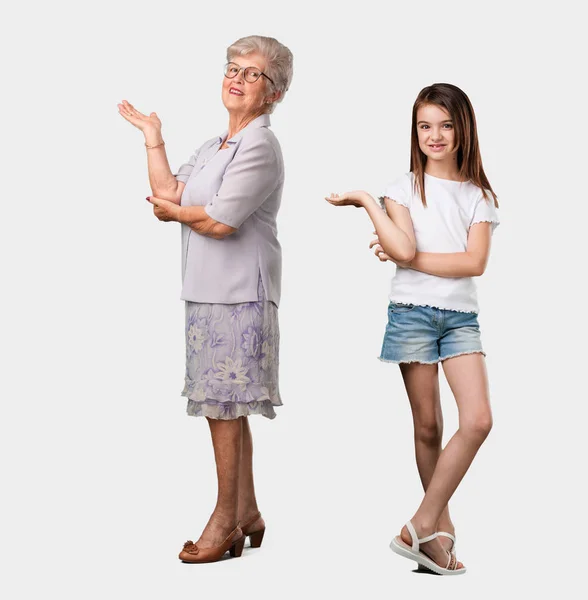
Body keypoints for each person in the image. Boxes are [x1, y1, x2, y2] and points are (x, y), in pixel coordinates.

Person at [117, 35, 293, 563]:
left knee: (223, 408)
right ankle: (249, 512)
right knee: (226, 408)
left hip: (241, 295)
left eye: (252, 74)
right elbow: (168, 194)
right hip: (207, 293)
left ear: (274, 93)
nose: (236, 78)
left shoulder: (261, 145)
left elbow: (219, 221)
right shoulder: (218, 143)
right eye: (231, 68)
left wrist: (178, 213)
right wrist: (153, 138)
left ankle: (224, 521)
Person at [326, 83, 499, 575]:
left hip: (461, 319)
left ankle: (417, 525)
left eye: (445, 125)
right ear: (415, 131)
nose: (435, 135)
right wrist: (366, 201)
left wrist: (403, 253)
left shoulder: (478, 195)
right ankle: (437, 538)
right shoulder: (400, 191)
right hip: (412, 314)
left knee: (479, 420)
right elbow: (404, 254)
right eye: (425, 126)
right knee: (427, 426)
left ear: (463, 129)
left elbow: (474, 262)